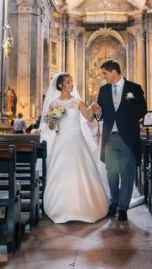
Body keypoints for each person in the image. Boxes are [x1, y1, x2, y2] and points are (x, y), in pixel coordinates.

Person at [41, 73, 109, 223]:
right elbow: (51, 126)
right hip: (62, 141)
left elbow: (88, 117)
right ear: (60, 86)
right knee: (61, 173)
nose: (72, 84)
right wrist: (54, 119)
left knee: (81, 173)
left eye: (71, 81)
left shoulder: (78, 101)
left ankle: (84, 208)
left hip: (77, 140)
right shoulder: (54, 104)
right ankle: (60, 208)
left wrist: (93, 109)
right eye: (68, 82)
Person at [91, 60, 147, 222]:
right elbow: (100, 113)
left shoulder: (133, 88)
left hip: (128, 137)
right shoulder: (103, 90)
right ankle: (114, 200)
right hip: (110, 138)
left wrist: (128, 119)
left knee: (127, 173)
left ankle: (123, 207)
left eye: (105, 73)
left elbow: (142, 109)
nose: (104, 77)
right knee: (112, 173)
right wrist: (98, 112)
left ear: (114, 72)